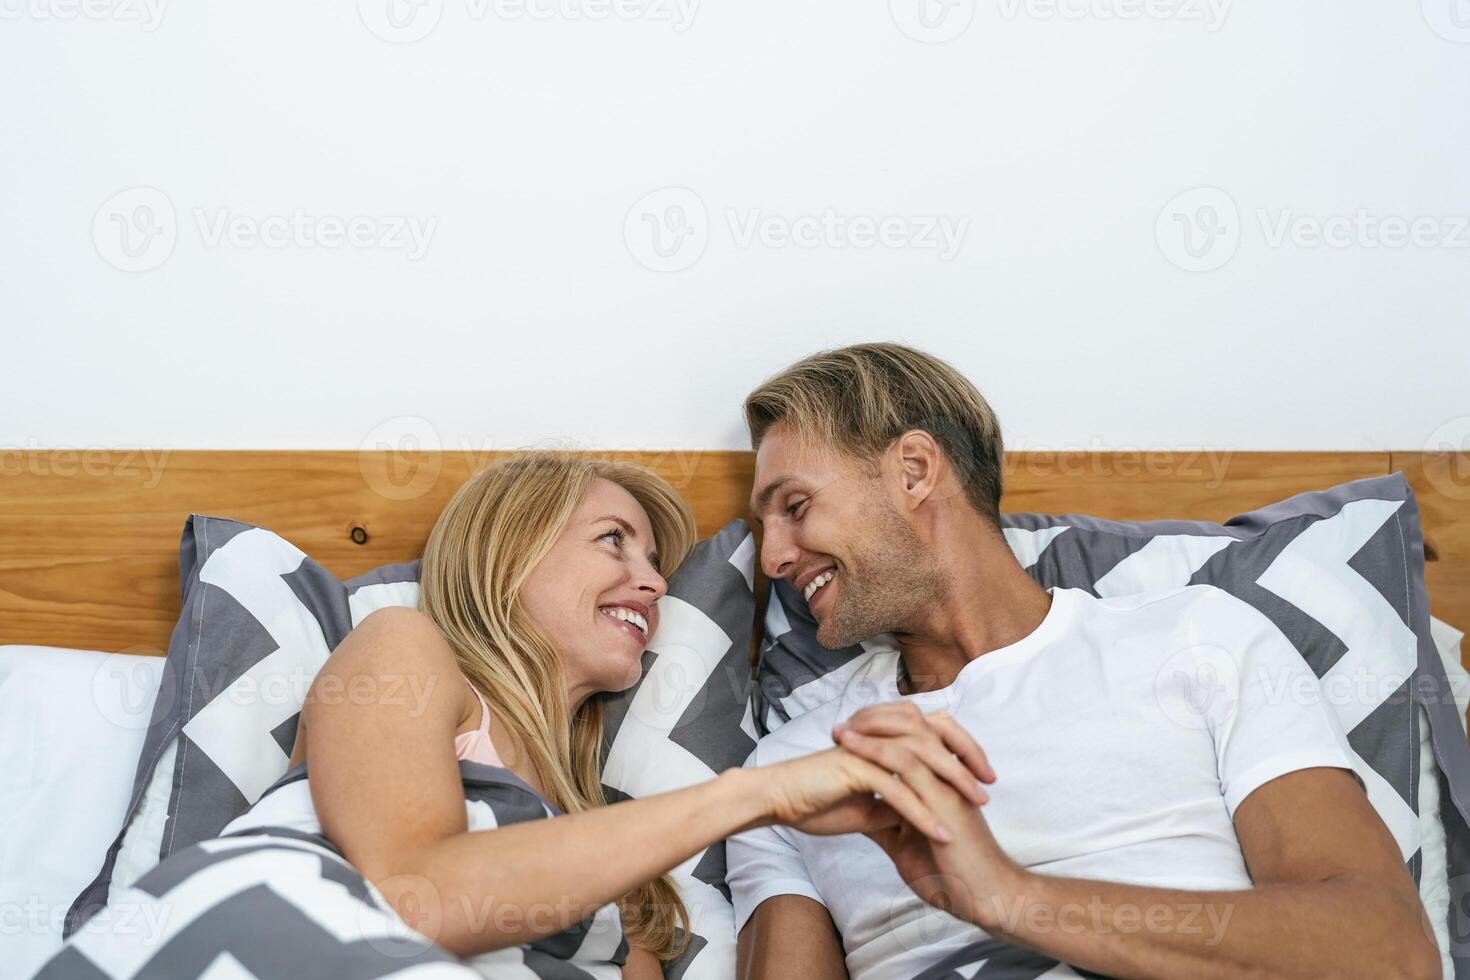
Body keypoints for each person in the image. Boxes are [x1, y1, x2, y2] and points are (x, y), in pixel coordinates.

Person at [37, 452, 995, 980]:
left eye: (657, 558)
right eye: (613, 541)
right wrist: (762, 794)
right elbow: (416, 896)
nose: (653, 581)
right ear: (507, 554)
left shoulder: (615, 870)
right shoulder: (407, 653)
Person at [728, 343, 1440, 980]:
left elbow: (1388, 953)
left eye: (796, 506)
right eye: (765, 527)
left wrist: (1010, 898)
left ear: (914, 471)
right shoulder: (793, 770)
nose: (774, 557)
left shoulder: (1196, 638)